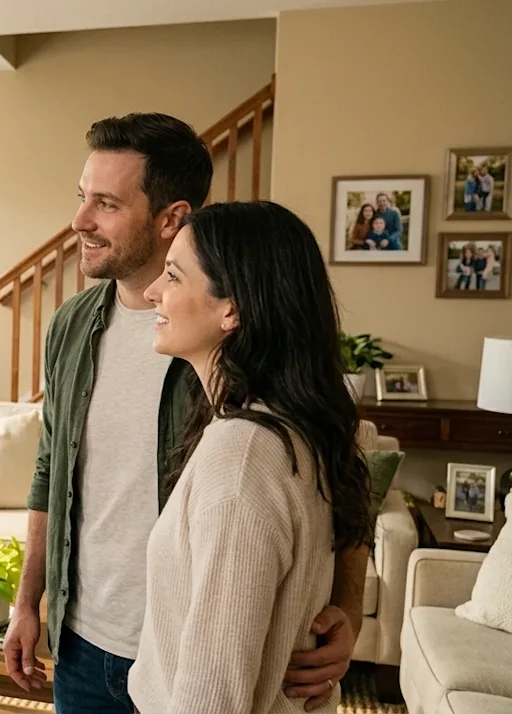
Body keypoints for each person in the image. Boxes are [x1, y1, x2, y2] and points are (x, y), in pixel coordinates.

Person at [1, 113, 368, 713]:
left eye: (107, 204)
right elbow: (50, 471)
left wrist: (346, 611)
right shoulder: (70, 327)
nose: (80, 221)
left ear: (172, 218)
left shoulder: (239, 363)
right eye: (81, 197)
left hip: (189, 655)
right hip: (84, 643)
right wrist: (27, 603)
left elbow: (342, 477)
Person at [127, 200, 373, 713]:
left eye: (172, 276)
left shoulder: (242, 457)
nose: (152, 291)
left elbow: (211, 700)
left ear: (231, 309)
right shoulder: (284, 426)